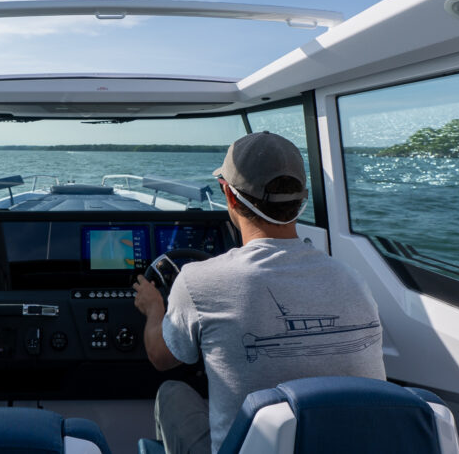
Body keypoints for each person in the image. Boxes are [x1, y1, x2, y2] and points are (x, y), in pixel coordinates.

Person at [133, 132, 385, 454]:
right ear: (301, 199)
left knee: (171, 391)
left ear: (229, 195)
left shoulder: (197, 281)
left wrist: (155, 309)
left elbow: (160, 357)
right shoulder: (354, 280)